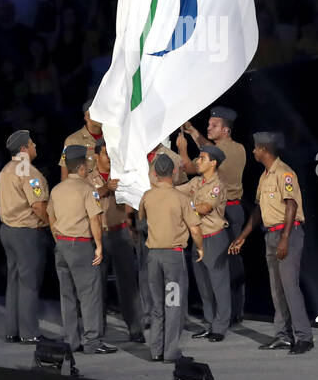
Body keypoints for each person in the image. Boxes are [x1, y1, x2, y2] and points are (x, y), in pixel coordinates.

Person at [229, 132, 313, 354]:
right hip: (271, 235)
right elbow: (258, 211)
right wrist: (243, 235)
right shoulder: (265, 176)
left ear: (264, 148)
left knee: (290, 287)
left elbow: (292, 206)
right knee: (277, 289)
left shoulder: (284, 173)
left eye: (256, 148)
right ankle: (283, 336)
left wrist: (285, 239)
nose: (254, 151)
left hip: (288, 234)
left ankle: (304, 337)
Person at [47, 144, 116, 354]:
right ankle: (92, 342)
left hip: (61, 245)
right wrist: (99, 246)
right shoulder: (87, 189)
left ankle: (71, 340)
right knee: (89, 295)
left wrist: (59, 239)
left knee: (66, 295)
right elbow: (95, 219)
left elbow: (51, 218)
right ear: (82, 167)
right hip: (81, 245)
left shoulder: (57, 189)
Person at [181, 106, 247, 322]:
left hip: (223, 211)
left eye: (214, 125)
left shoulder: (224, 151)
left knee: (219, 265)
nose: (208, 127)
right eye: (208, 124)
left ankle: (224, 315)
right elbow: (208, 148)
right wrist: (193, 132)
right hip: (231, 208)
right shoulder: (238, 148)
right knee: (226, 263)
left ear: (226, 130)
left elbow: (192, 167)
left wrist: (183, 148)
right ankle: (230, 313)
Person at [138, 154, 204, 362]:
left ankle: (155, 350)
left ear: (155, 173)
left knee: (157, 306)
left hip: (153, 257)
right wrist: (200, 248)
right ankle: (171, 351)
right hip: (173, 259)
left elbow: (141, 221)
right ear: (174, 172)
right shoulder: (181, 198)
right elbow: (194, 228)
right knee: (173, 304)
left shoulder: (147, 196)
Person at [0, 129, 50, 343]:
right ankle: (30, 333)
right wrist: (51, 225)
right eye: (31, 143)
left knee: (14, 281)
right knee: (29, 282)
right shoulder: (28, 172)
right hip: (26, 232)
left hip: (7, 230)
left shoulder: (6, 169)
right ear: (23, 149)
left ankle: (13, 330)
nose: (35, 146)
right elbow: (38, 205)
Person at [91, 139, 144, 342]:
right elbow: (85, 196)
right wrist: (105, 188)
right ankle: (97, 330)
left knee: (128, 283)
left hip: (119, 232)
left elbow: (130, 200)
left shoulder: (120, 175)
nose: (109, 158)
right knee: (97, 285)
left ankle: (135, 329)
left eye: (111, 154)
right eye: (105, 153)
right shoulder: (88, 176)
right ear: (96, 155)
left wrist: (131, 226)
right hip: (98, 236)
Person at [178, 144, 231, 341]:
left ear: (213, 162)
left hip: (214, 238)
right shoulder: (196, 182)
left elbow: (204, 207)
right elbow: (175, 191)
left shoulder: (217, 184)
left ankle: (220, 326)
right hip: (198, 237)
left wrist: (185, 206)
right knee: (204, 286)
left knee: (219, 285)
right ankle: (210, 323)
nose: (197, 161)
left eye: (202, 158)